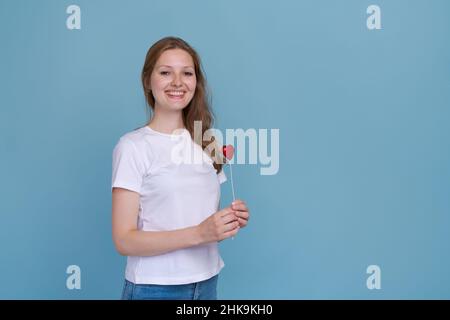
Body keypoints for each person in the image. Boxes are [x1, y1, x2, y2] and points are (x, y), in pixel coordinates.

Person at [111, 36, 250, 300]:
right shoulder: (132, 147)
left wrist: (226, 223)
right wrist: (200, 233)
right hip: (153, 288)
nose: (177, 82)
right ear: (147, 81)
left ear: (196, 82)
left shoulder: (207, 142)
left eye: (187, 73)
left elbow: (198, 224)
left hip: (206, 283)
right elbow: (124, 240)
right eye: (165, 72)